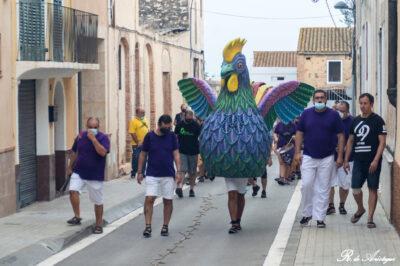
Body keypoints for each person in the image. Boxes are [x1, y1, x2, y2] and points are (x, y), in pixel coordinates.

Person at [295, 90, 344, 228]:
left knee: (323, 188)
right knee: (306, 185)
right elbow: (299, 132)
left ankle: (320, 218)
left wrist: (340, 156)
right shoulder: (306, 114)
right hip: (309, 155)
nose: (319, 100)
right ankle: (307, 213)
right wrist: (297, 152)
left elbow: (341, 136)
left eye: (322, 98)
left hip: (327, 157)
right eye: (317, 98)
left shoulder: (334, 115)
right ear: (313, 100)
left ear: (326, 100)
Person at [344, 93, 386, 228]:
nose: (362, 106)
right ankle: (361, 208)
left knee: (372, 188)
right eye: (361, 103)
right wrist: (346, 160)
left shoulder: (378, 120)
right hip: (358, 161)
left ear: (371, 104)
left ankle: (370, 218)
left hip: (373, 161)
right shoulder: (355, 121)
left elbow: (382, 142)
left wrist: (375, 160)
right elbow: (350, 141)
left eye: (365, 103)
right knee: (355, 188)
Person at [137, 115, 183, 238]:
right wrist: (140, 171)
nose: (168, 129)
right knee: (149, 198)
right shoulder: (150, 136)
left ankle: (165, 226)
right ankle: (148, 226)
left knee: (167, 200)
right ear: (160, 124)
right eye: (166, 126)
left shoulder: (172, 136)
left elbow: (176, 154)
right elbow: (143, 154)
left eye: (169, 127)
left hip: (168, 174)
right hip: (152, 174)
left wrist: (179, 171)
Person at [67, 117, 110, 234]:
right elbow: (75, 152)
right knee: (73, 191)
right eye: (90, 127)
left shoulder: (103, 138)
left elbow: (102, 152)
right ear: (86, 126)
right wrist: (70, 167)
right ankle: (77, 216)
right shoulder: (80, 136)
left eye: (95, 127)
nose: (92, 129)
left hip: (95, 174)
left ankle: (99, 224)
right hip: (79, 171)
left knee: (97, 201)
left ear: (98, 127)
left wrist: (93, 140)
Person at [327, 101, 354, 215]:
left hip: (347, 158)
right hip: (331, 156)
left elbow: (353, 139)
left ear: (347, 110)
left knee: (345, 184)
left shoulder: (353, 121)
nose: (340, 112)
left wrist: (344, 148)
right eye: (337, 110)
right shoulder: (330, 120)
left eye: (342, 110)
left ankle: (342, 204)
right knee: (329, 183)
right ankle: (330, 205)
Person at [174, 109, 201, 197]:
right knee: (182, 169)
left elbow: (200, 136)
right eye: (188, 116)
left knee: (192, 171)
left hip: (193, 151)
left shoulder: (196, 125)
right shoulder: (180, 124)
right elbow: (175, 135)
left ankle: (191, 189)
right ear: (184, 116)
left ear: (192, 116)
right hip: (182, 150)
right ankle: (180, 187)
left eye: (191, 116)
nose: (189, 118)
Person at [273, 120, 297, 185]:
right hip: (280, 146)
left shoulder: (293, 125)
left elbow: (297, 134)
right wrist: (275, 139)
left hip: (290, 147)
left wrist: (295, 136)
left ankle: (286, 178)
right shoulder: (279, 124)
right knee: (281, 162)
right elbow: (275, 132)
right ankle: (282, 177)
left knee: (288, 163)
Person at [128, 107, 149, 178]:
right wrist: (138, 142)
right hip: (136, 144)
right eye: (142, 113)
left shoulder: (145, 120)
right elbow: (132, 132)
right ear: (137, 113)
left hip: (145, 143)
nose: (143, 114)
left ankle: (142, 172)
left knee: (144, 158)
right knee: (136, 157)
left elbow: (147, 130)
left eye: (144, 112)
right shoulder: (133, 121)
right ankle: (134, 171)